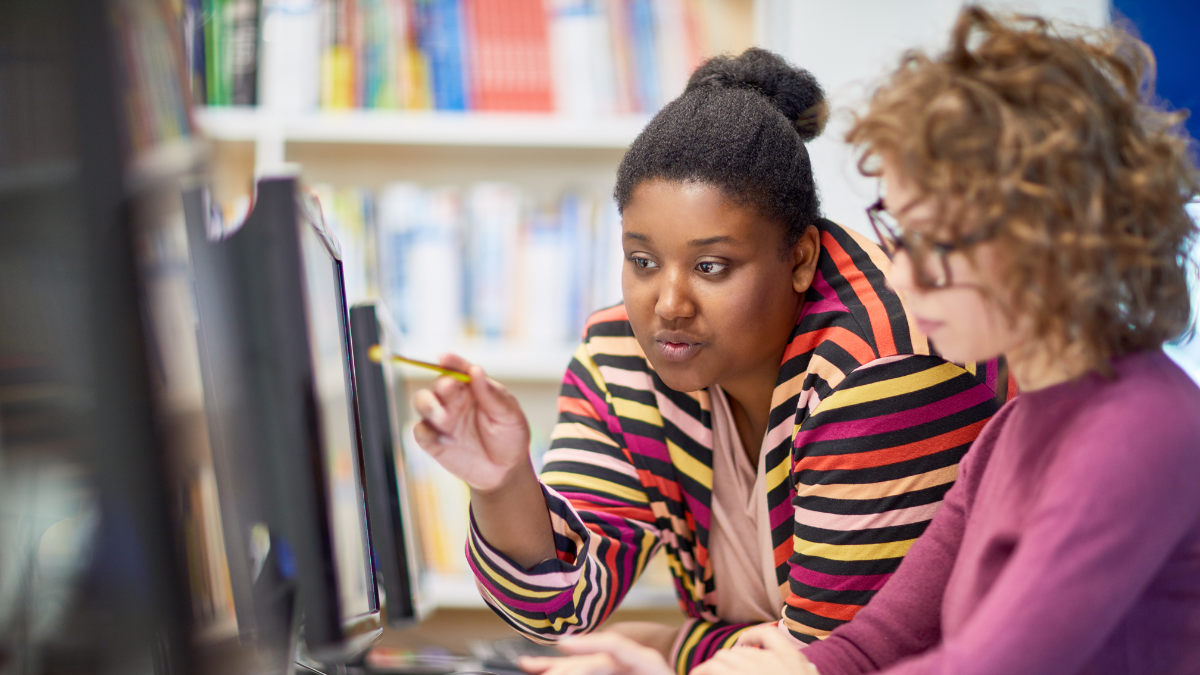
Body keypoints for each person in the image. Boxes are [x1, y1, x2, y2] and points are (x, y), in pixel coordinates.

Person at [518, 7, 1200, 675]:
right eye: (898, 232)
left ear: (1049, 238)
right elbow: (868, 648)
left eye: (933, 242)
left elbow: (988, 666)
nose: (899, 273)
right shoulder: (1014, 432)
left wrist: (679, 658)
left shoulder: (1141, 429)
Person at [412, 49, 1012, 672]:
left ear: (801, 258)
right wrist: (503, 483)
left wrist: (665, 647)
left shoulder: (881, 369)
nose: (669, 304)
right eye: (643, 261)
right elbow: (558, 606)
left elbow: (827, 663)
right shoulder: (625, 352)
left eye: (711, 266)